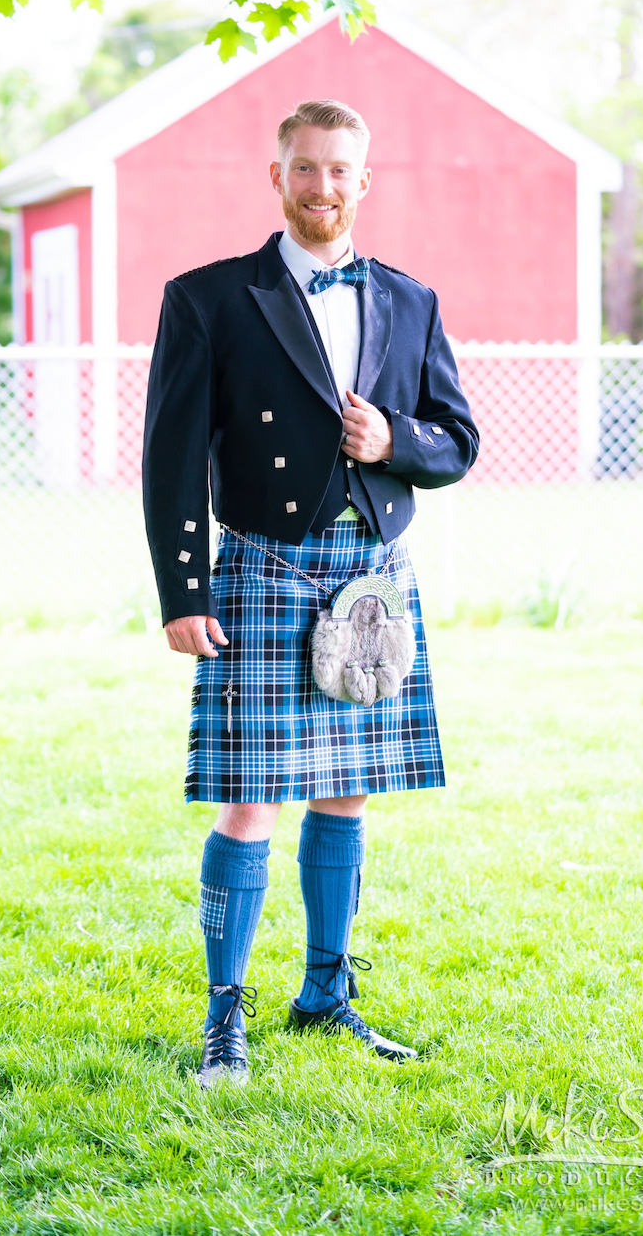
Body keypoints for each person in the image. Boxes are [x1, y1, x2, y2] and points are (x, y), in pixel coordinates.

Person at [142, 99, 478, 1087]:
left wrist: (394, 443)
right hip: (261, 566)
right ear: (277, 174)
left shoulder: (410, 300)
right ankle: (224, 1021)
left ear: (363, 180)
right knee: (248, 801)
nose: (323, 186)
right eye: (306, 168)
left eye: (340, 170)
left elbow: (455, 438)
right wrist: (181, 589)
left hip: (370, 574)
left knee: (347, 789)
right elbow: (171, 461)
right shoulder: (209, 298)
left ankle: (326, 993)